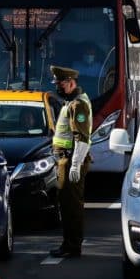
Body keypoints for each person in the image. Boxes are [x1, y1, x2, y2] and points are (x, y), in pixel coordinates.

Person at [49, 65, 93, 258]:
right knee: (66, 204)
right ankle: (69, 243)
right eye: (57, 83)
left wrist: (75, 164)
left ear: (71, 83)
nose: (58, 87)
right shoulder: (71, 102)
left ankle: (73, 245)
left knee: (72, 205)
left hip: (71, 160)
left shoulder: (77, 105)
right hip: (64, 160)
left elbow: (81, 137)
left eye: (60, 84)